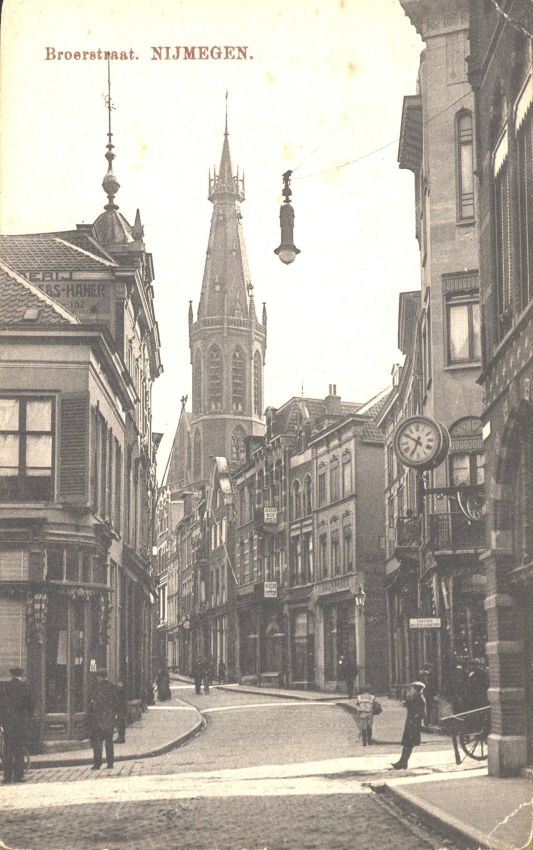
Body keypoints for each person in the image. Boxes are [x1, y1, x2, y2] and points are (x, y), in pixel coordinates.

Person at [0, 666, 34, 784]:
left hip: (8, 724)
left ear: (12, 674)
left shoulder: (5, 687)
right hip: (20, 723)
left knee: (8, 750)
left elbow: (1, 706)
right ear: (21, 675)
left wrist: (3, 722)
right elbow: (30, 706)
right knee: (19, 749)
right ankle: (18, 776)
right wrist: (28, 719)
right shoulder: (25, 687)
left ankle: (7, 777)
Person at [86, 669, 118, 770]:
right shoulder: (112, 687)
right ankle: (110, 763)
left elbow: (92, 703)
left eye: (97, 676)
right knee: (109, 742)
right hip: (109, 718)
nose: (97, 678)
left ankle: (97, 763)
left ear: (100, 677)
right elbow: (116, 703)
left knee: (97, 743)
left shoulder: (96, 688)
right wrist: (114, 715)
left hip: (99, 719)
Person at [391, 681, 426, 769]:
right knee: (406, 744)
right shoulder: (415, 698)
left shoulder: (420, 699)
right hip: (410, 724)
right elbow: (409, 705)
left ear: (417, 690)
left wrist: (415, 717)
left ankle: (403, 763)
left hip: (414, 725)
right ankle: (402, 762)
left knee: (409, 745)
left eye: (413, 689)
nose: (411, 690)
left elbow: (423, 714)